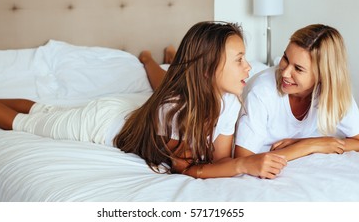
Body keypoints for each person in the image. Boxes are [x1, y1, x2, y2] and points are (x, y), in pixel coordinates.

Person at [114, 21, 287, 179]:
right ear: (207, 69)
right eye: (239, 59)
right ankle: (147, 59)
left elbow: (221, 159)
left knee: (172, 82)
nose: (248, 66)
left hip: (195, 89)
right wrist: (242, 164)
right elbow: (184, 169)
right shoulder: (173, 108)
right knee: (164, 85)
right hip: (156, 114)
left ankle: (172, 57)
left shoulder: (230, 99)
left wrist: (240, 165)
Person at [234, 24, 359, 161]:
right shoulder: (261, 92)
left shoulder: (333, 93)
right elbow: (244, 160)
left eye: (298, 69)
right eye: (285, 58)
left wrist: (307, 142)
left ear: (322, 75)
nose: (285, 73)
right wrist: (309, 145)